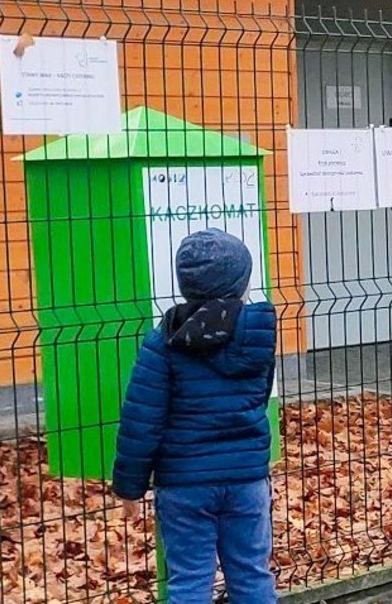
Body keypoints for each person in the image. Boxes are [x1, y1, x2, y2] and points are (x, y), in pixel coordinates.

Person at [111, 228, 278, 603]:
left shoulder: (163, 342)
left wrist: (129, 486)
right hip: (246, 478)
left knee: (188, 581)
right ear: (240, 285)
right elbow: (259, 395)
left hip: (184, 484)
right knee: (252, 574)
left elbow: (142, 419)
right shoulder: (258, 335)